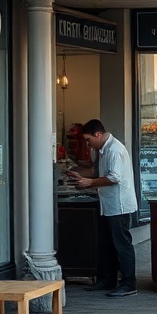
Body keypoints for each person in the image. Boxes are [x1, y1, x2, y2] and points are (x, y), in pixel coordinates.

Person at [65, 119, 139, 296]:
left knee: (122, 245)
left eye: (89, 140)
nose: (87, 144)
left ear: (98, 135)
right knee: (106, 244)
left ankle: (129, 283)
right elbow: (97, 173)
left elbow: (114, 177)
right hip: (108, 203)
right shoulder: (103, 150)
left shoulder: (114, 150)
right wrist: (79, 176)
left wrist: (89, 182)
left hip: (119, 205)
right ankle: (107, 280)